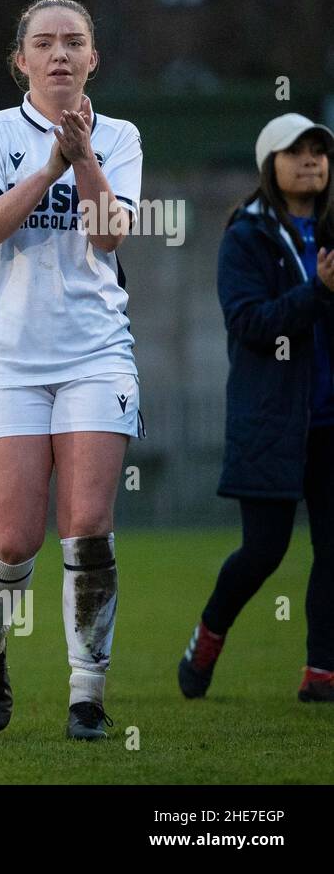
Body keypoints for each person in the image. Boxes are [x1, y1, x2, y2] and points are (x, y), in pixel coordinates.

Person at [0, 0, 144, 740]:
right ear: (21, 61)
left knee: (89, 527)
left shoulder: (121, 135)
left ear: (94, 58)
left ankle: (86, 696)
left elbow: (108, 236)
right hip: (8, 360)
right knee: (10, 541)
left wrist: (87, 156)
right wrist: (49, 166)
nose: (60, 54)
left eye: (75, 43)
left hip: (97, 352)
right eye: (45, 42)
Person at [178, 113, 334, 703]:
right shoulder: (247, 235)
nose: (312, 160)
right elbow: (248, 323)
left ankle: (321, 672)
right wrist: (316, 293)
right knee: (264, 552)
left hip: (330, 422)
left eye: (319, 150)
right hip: (272, 420)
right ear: (270, 164)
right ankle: (208, 635)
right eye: (297, 152)